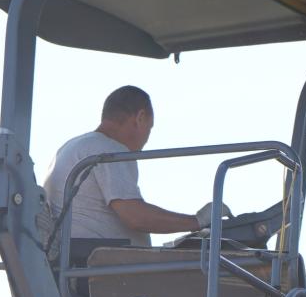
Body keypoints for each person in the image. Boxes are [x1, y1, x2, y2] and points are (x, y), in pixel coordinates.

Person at [43, 86, 216, 249]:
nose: (147, 138)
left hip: (80, 261)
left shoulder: (75, 146)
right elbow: (135, 217)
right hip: (97, 268)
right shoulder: (109, 150)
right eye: (149, 128)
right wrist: (197, 221)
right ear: (140, 118)